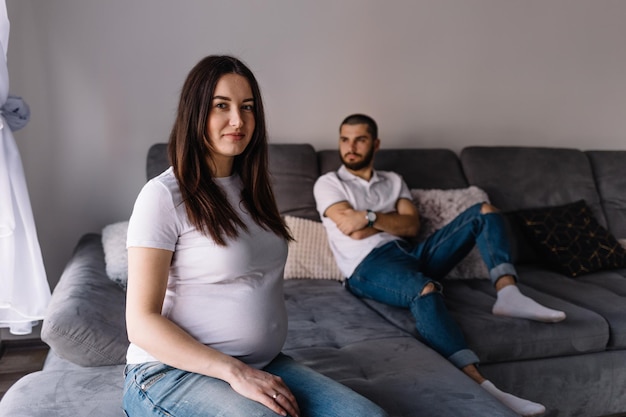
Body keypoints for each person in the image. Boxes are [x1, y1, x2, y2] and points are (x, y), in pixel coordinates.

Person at [122, 58, 388, 417]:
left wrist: (248, 371)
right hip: (170, 374)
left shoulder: (252, 189)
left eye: (247, 107)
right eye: (221, 106)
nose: (238, 120)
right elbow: (140, 322)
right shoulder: (163, 196)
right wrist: (234, 372)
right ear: (195, 112)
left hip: (261, 365)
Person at [313, 113, 567, 417]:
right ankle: (485, 386)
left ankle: (508, 293)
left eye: (360, 139)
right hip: (367, 267)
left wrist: (368, 217)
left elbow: (410, 227)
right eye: (344, 139)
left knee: (484, 212)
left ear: (375, 143)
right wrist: (388, 221)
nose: (350, 147)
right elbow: (348, 226)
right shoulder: (329, 182)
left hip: (409, 254)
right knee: (425, 289)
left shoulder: (393, 181)